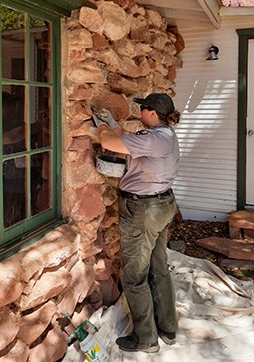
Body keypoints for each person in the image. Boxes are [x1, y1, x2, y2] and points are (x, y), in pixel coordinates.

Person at [92, 92, 181, 354]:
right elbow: (126, 141)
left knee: (134, 275)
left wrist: (102, 126)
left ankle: (146, 339)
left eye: (142, 108)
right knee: (158, 267)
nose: (139, 112)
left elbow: (109, 143)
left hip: (143, 210)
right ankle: (168, 328)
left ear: (153, 113)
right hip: (163, 204)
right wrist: (114, 126)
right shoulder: (166, 135)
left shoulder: (152, 139)